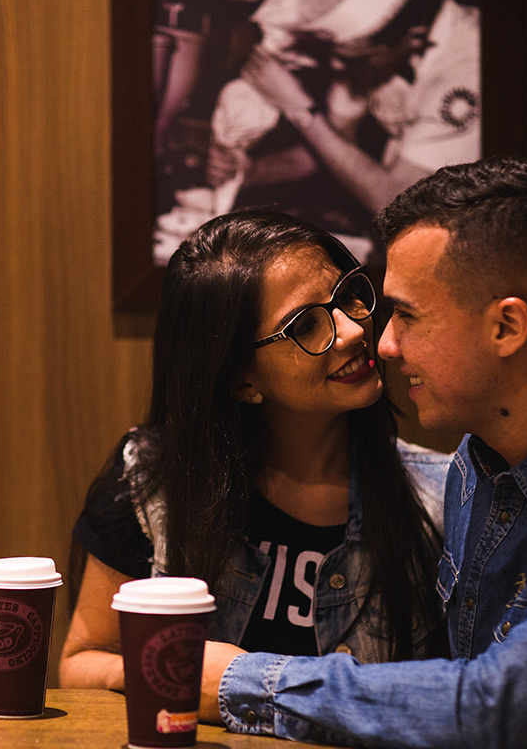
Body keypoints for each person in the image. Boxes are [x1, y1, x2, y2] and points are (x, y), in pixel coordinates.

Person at [207, 156, 527, 748]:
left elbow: (501, 708)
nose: (381, 342)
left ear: (506, 328)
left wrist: (241, 678)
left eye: (408, 316)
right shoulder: (478, 462)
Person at [60, 209, 452, 699]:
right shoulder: (155, 481)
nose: (353, 330)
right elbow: (82, 661)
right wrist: (174, 668)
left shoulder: (442, 495)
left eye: (348, 294)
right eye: (306, 326)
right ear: (242, 380)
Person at [204, 0, 480, 235]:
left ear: (413, 36)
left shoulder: (470, 68)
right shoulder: (380, 53)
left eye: (352, 57)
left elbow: (402, 204)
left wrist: (298, 109)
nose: (336, 65)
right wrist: (252, 170)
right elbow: (332, 147)